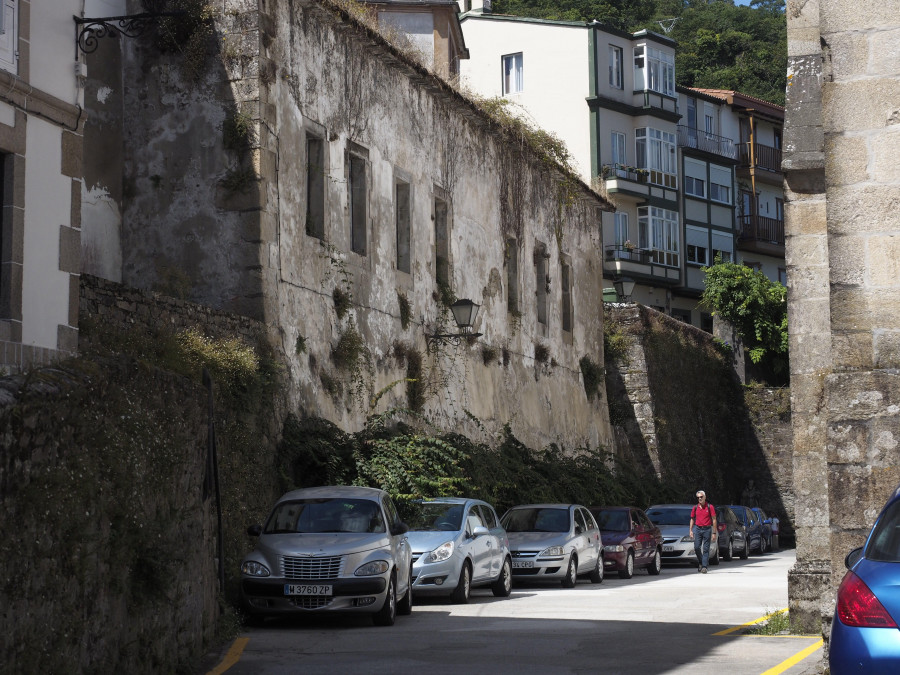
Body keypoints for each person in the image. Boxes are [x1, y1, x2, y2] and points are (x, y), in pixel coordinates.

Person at [689, 490, 717, 573]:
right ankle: (701, 562)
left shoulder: (710, 507)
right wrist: (690, 530)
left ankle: (704, 567)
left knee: (705, 549)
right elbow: (692, 519)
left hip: (707, 529)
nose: (700, 499)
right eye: (698, 497)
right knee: (697, 547)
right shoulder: (695, 507)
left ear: (705, 497)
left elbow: (714, 519)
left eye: (701, 497)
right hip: (698, 529)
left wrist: (714, 532)